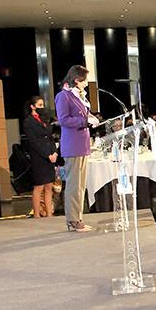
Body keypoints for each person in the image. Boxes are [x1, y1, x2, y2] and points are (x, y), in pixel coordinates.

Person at [55, 65, 99, 232]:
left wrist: (91, 118)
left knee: (80, 186)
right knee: (74, 185)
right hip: (72, 145)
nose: (87, 84)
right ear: (76, 80)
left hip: (82, 145)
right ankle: (73, 220)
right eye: (85, 80)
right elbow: (64, 120)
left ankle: (78, 218)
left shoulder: (78, 96)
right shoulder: (63, 96)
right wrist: (85, 122)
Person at [22, 96, 58, 218]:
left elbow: (50, 137)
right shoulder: (28, 122)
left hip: (50, 155)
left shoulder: (44, 119)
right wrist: (47, 154)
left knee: (49, 186)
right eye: (39, 105)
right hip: (39, 157)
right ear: (32, 107)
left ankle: (49, 214)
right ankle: (37, 214)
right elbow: (34, 142)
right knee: (39, 186)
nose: (42, 108)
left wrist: (54, 152)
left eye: (43, 105)